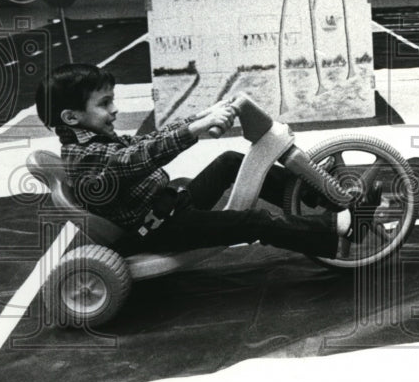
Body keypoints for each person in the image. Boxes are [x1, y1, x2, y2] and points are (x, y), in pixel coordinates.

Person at [34, 63, 362, 260]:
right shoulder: (85, 157)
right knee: (255, 222)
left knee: (230, 161)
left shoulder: (93, 140)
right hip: (157, 230)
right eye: (105, 104)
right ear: (71, 117)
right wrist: (195, 129)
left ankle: (320, 195)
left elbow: (145, 141)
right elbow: (134, 159)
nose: (114, 110)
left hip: (169, 206)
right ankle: (340, 229)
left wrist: (202, 116)